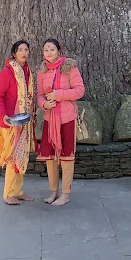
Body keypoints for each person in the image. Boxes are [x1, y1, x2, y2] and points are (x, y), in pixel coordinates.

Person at [37, 38, 85, 205]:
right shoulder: (42, 71)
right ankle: (53, 191)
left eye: (52, 49)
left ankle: (65, 194)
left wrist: (59, 95)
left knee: (66, 156)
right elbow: (40, 95)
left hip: (67, 119)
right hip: (50, 119)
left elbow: (80, 91)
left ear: (59, 51)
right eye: (46, 50)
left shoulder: (69, 68)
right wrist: (44, 104)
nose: (49, 52)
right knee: (50, 158)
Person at [0, 39, 35, 205]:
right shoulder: (7, 72)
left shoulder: (27, 72)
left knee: (21, 156)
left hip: (24, 121)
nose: (24, 53)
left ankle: (18, 191)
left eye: (26, 50)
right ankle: (8, 193)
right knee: (12, 157)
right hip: (10, 122)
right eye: (20, 50)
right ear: (14, 53)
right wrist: (3, 115)